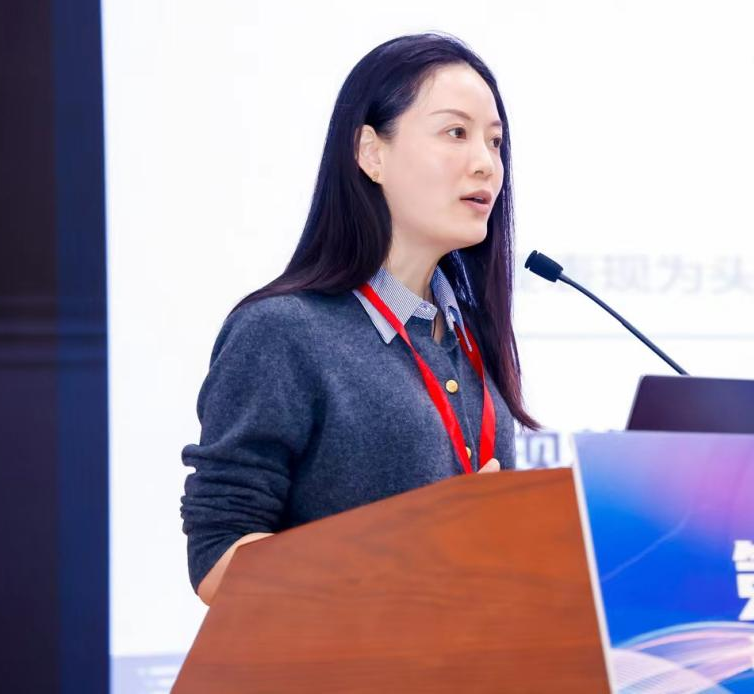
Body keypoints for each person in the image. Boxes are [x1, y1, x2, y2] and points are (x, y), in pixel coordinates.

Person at [180, 33, 539, 605]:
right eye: (456, 133)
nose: (486, 164)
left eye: (495, 142)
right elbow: (217, 559)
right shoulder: (282, 331)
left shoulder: (469, 336)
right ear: (371, 153)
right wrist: (417, 551)